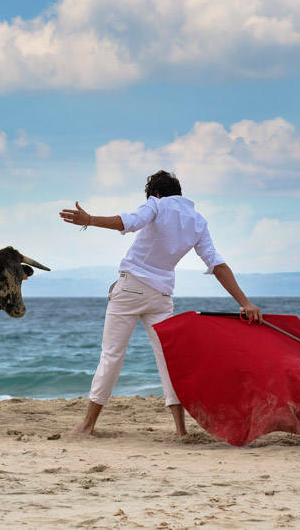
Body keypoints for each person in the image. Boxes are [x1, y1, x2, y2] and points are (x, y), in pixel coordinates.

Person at [59, 170, 262, 436]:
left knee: (111, 356)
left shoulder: (156, 204)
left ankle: (87, 425)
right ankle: (180, 431)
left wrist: (90, 219)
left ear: (155, 193)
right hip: (162, 297)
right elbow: (216, 263)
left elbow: (129, 221)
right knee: (169, 360)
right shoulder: (198, 221)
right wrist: (245, 302)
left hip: (130, 290)